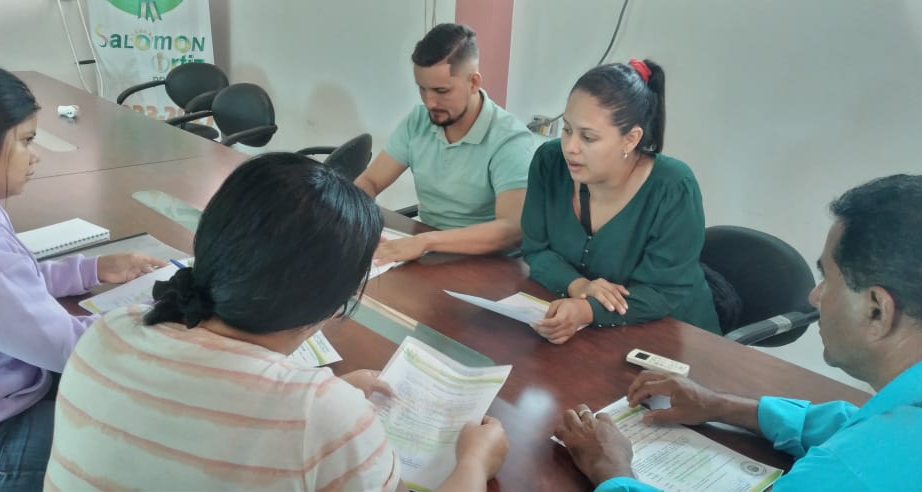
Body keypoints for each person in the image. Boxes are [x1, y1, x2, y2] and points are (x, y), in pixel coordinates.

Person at [45, 153, 509, 491]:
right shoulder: (322, 417)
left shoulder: (109, 331)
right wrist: (474, 462)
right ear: (334, 303)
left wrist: (328, 398)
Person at [556, 174, 922, 490]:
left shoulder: (855, 470)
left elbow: (865, 455)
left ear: (878, 310)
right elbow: (854, 424)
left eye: (827, 279)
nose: (814, 297)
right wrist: (721, 406)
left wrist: (613, 471)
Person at [0, 60, 164, 490]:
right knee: (137, 443)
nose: (36, 154)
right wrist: (159, 312)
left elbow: (6, 289)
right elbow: (73, 348)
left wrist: (91, 268)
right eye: (26, 140)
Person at [522, 60, 719, 344]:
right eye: (567, 130)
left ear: (631, 139)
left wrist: (587, 310)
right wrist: (579, 286)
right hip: (593, 337)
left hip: (676, 338)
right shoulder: (549, 162)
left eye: (588, 137)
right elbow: (536, 249)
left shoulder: (673, 187)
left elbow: (662, 292)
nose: (570, 147)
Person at [354, 23, 534, 264]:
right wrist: (359, 220)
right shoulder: (417, 121)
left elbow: (510, 229)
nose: (429, 103)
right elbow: (370, 181)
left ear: (473, 83)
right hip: (429, 252)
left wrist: (425, 242)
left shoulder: (509, 139)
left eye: (441, 91)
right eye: (422, 89)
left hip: (485, 262)